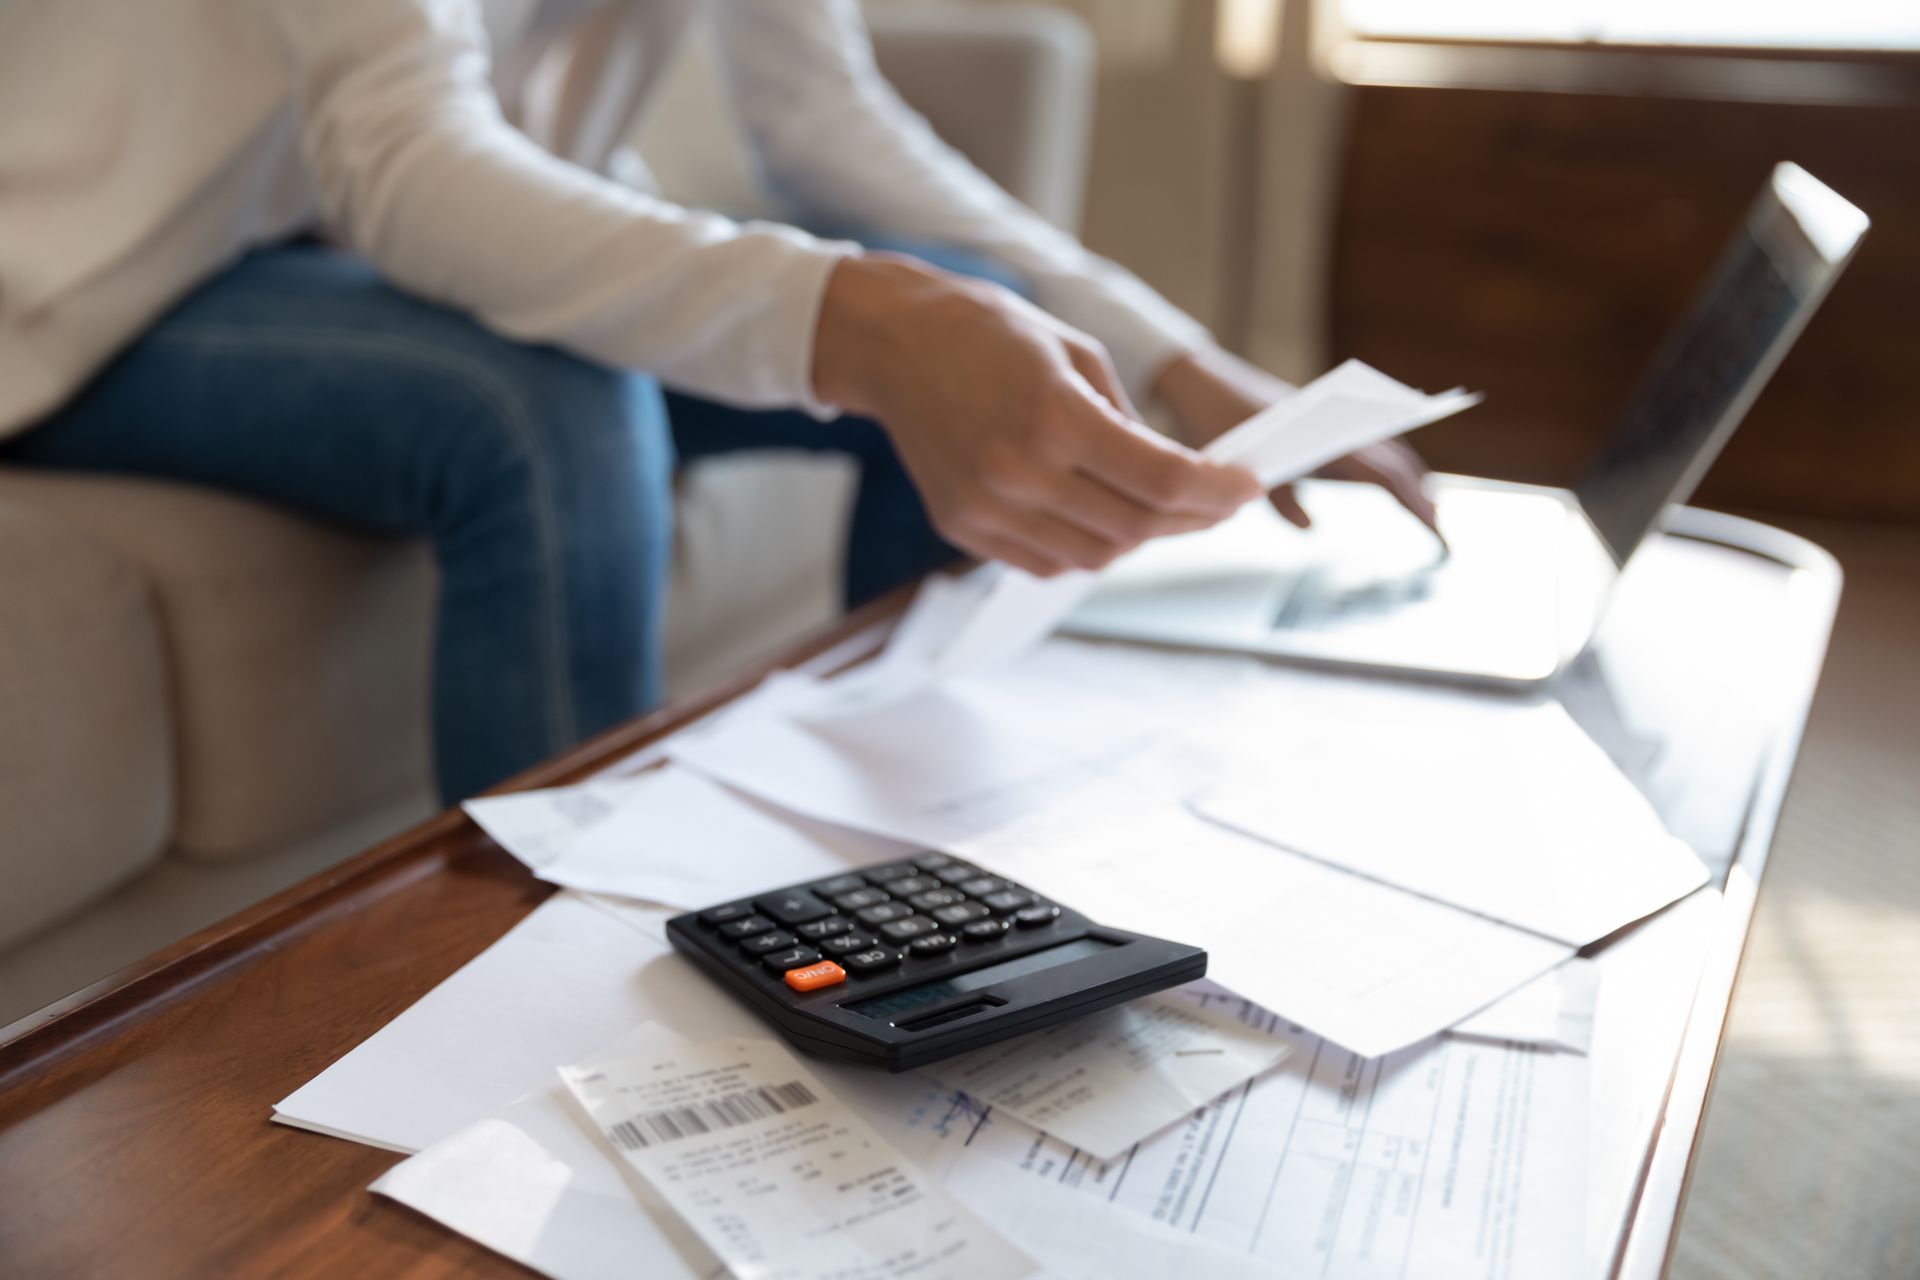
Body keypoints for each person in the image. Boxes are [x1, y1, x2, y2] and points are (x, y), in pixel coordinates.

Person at [0, 0, 1435, 803]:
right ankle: (547, 1002)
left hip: (342, 260)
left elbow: (827, 121)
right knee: (543, 403)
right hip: (100, 283)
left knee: (937, 293)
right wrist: (856, 326)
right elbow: (406, 159)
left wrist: (1171, 353)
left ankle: (908, 855)